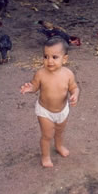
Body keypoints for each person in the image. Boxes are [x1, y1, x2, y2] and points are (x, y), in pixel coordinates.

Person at [20, 37, 80, 168]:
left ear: (64, 59)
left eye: (54, 57)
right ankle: (45, 156)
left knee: (59, 132)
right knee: (47, 135)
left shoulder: (68, 74)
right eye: (46, 56)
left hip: (63, 110)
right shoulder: (40, 74)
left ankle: (58, 146)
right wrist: (30, 88)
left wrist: (75, 94)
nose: (49, 61)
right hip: (45, 111)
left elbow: (74, 87)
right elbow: (35, 86)